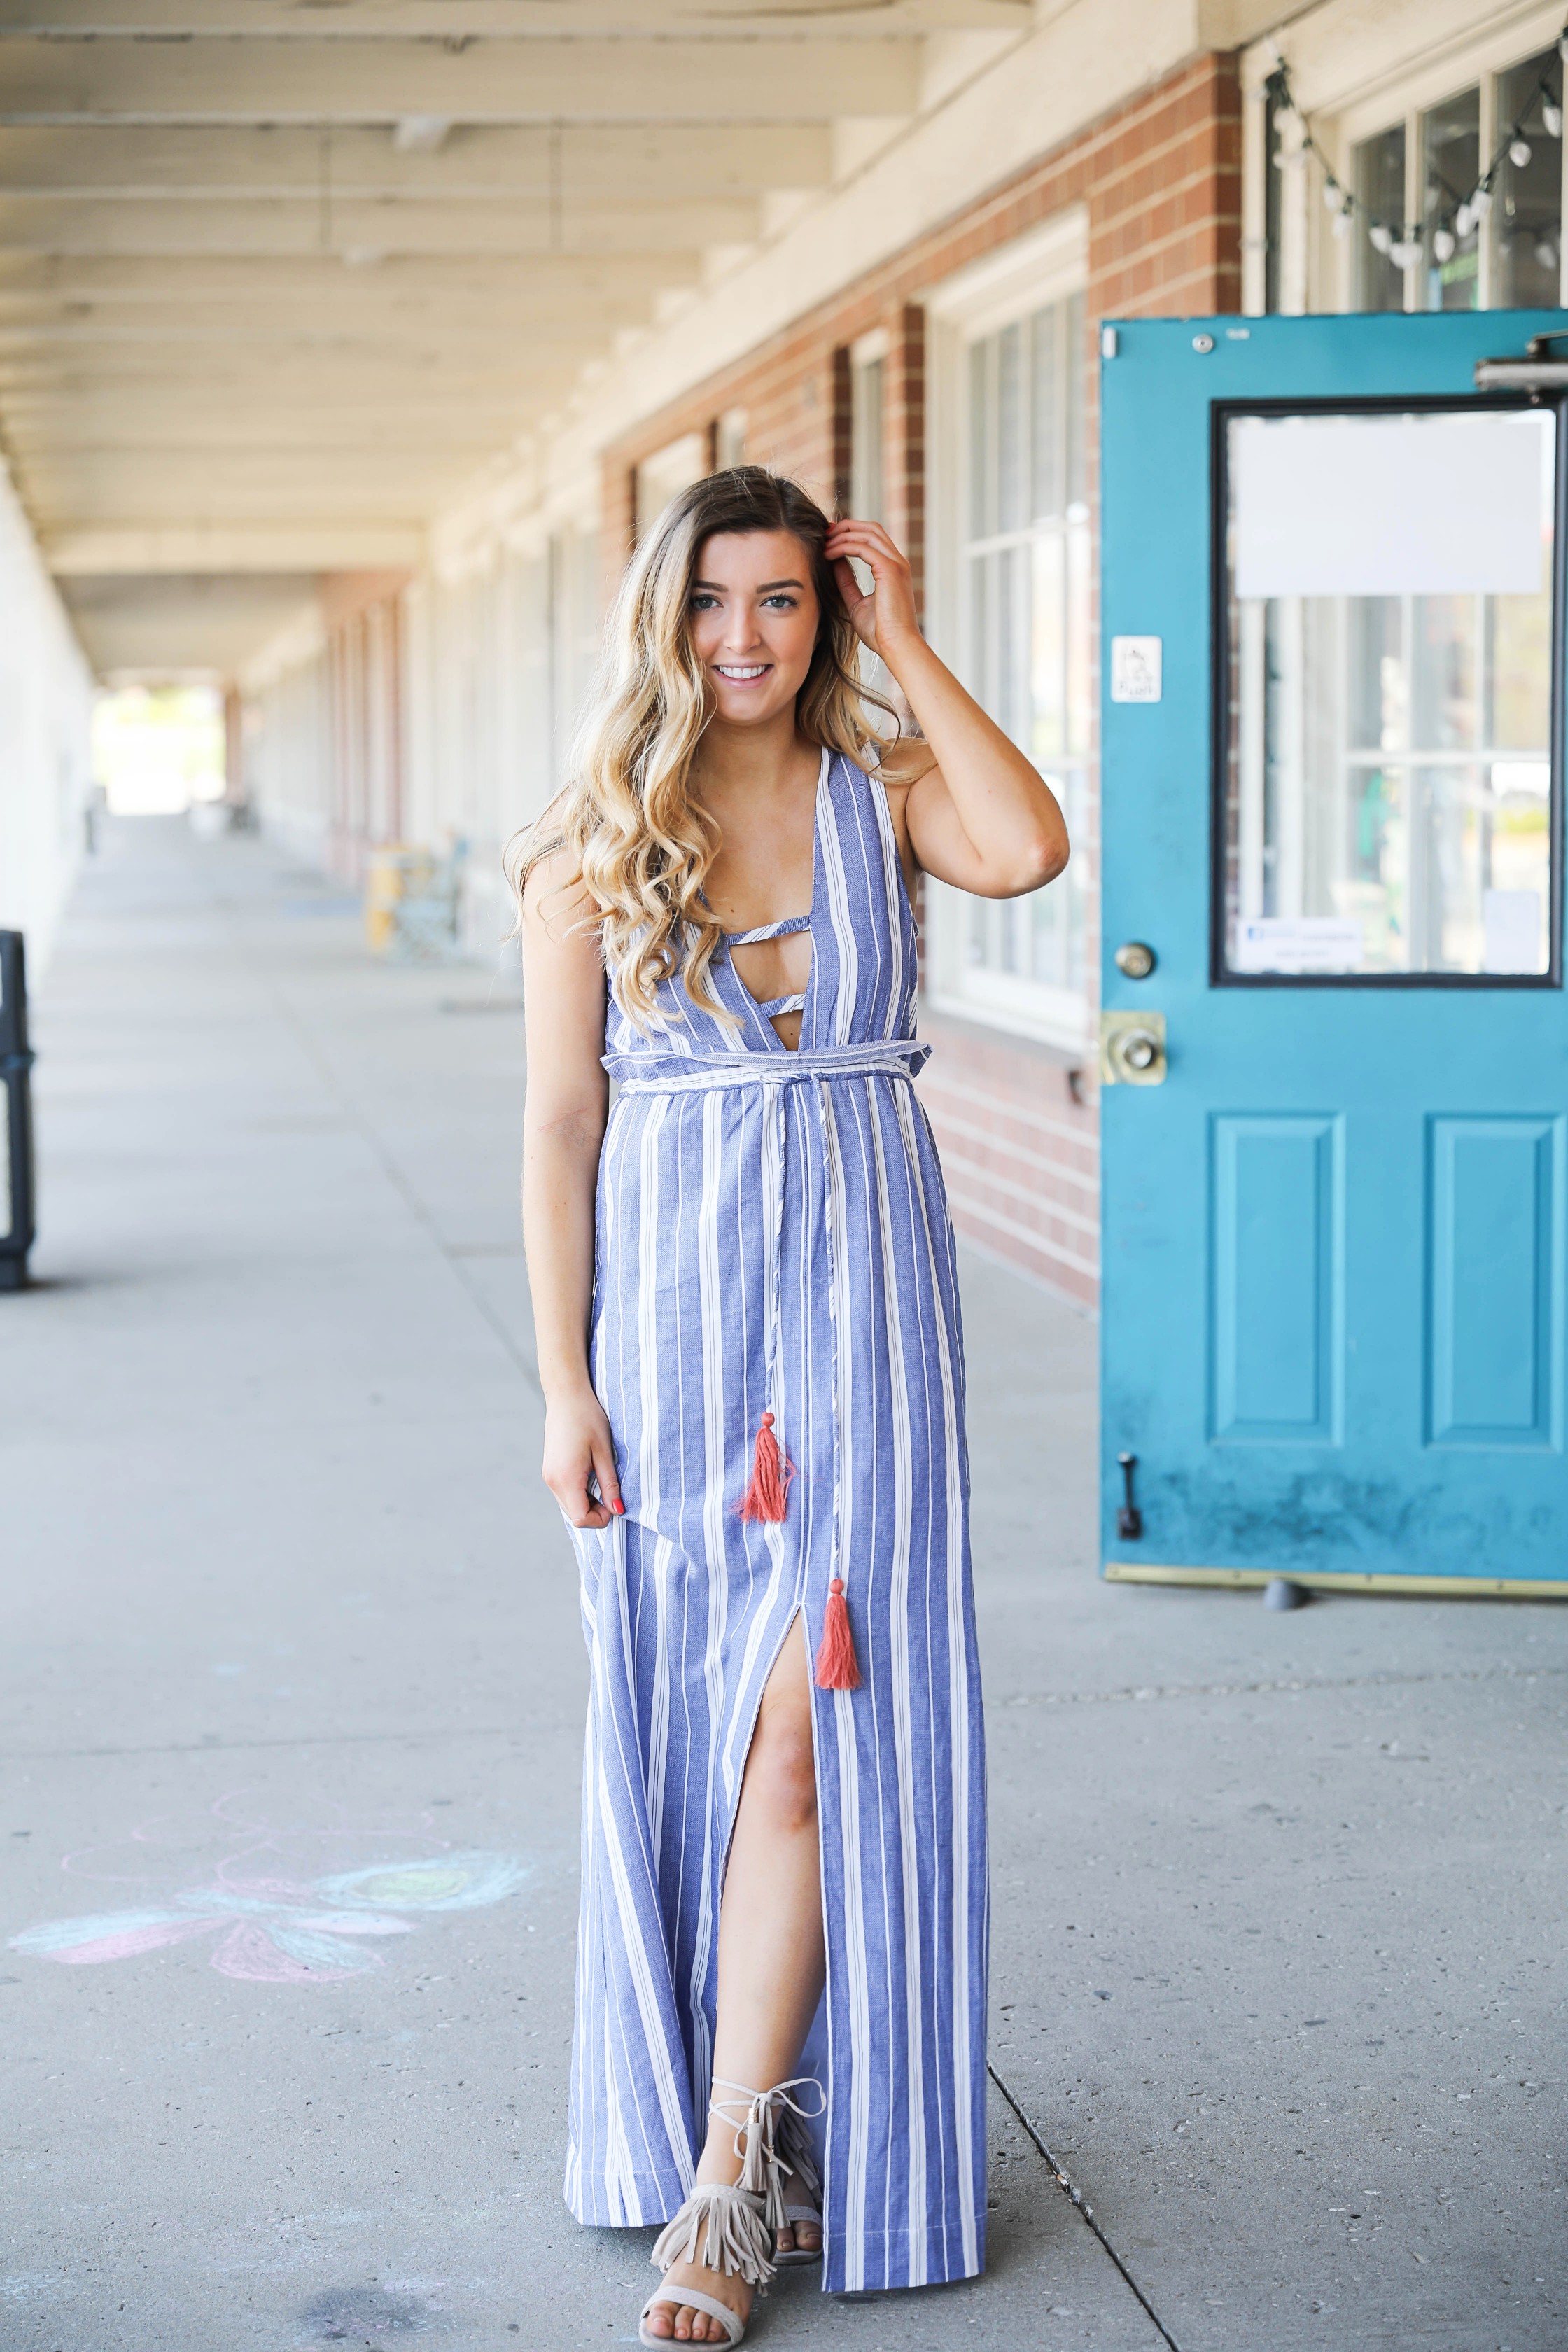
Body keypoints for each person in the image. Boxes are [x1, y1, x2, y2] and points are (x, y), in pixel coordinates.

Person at [517, 467, 1068, 2344]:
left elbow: (1030, 849)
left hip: (865, 1318)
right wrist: (561, 1384)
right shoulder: (595, 842)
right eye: (712, 604)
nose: (744, 638)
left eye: (781, 601)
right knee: (693, 1730)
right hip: (674, 1333)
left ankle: (737, 2166)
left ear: (820, 615)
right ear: (662, 622)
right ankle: (724, 2116)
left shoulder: (878, 794)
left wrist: (909, 632)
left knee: (817, 1727)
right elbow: (559, 1126)